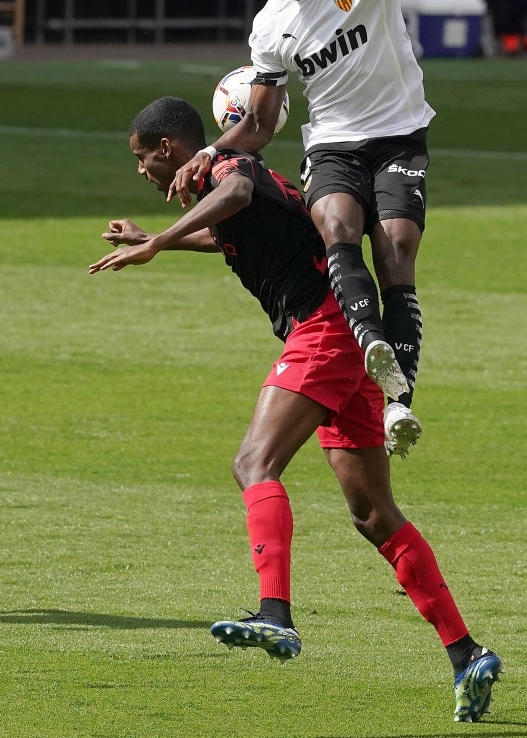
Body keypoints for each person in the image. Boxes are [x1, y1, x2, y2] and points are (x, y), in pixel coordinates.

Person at [89, 96, 503, 723]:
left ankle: (276, 614)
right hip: (347, 341)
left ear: (169, 148)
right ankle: (466, 653)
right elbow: (236, 223)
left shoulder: (227, 167)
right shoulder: (241, 177)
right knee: (373, 514)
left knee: (254, 463)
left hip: (325, 332)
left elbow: (234, 196)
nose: (142, 171)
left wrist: (158, 241)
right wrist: (162, 241)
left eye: (143, 158)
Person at [168, 0, 527, 457]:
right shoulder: (270, 27)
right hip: (333, 147)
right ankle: (372, 345)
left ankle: (399, 401)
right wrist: (211, 151)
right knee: (338, 227)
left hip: (400, 137)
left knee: (396, 247)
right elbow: (262, 124)